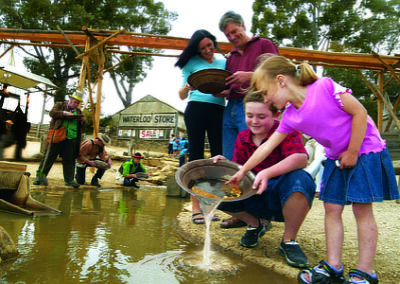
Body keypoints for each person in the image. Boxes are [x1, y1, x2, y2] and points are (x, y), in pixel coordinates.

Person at [229, 55, 399, 284]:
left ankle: (365, 271)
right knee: (331, 208)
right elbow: (267, 147)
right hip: (336, 156)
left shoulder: (325, 87)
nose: (266, 98)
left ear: (280, 81)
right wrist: (243, 171)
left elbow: (360, 113)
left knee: (361, 209)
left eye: (265, 91)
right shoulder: (290, 116)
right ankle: (333, 266)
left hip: (365, 148)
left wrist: (352, 151)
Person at [212, 92, 315, 268]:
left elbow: (301, 158)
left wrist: (267, 173)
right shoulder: (243, 137)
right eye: (249, 115)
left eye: (261, 116)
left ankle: (289, 240)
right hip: (255, 193)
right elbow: (240, 169)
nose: (255, 121)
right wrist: (226, 164)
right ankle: (255, 224)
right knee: (215, 187)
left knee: (301, 179)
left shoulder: (286, 130)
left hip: (282, 194)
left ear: (276, 115)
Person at [175, 29, 226, 224]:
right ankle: (195, 207)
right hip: (195, 109)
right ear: (197, 50)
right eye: (202, 48)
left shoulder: (224, 62)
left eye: (209, 45)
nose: (207, 50)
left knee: (217, 157)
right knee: (195, 156)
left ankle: (211, 205)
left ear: (214, 43)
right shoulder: (190, 64)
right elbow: (180, 95)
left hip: (218, 110)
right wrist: (186, 88)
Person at [217, 11, 279, 160]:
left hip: (255, 106)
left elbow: (279, 73)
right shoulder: (231, 57)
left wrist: (250, 76)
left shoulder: (264, 44)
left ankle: (256, 183)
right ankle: (232, 183)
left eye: (234, 31)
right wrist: (221, 91)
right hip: (230, 107)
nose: (231, 37)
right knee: (229, 157)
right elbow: (229, 86)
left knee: (252, 155)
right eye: (227, 35)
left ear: (243, 26)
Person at [33, 91, 86, 188]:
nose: (76, 104)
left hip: (72, 138)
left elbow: (82, 126)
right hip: (57, 135)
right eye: (75, 102)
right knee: (48, 157)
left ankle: (69, 180)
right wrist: (64, 113)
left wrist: (82, 121)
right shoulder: (60, 105)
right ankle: (39, 177)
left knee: (69, 160)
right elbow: (52, 113)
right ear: (70, 100)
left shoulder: (79, 112)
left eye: (78, 103)